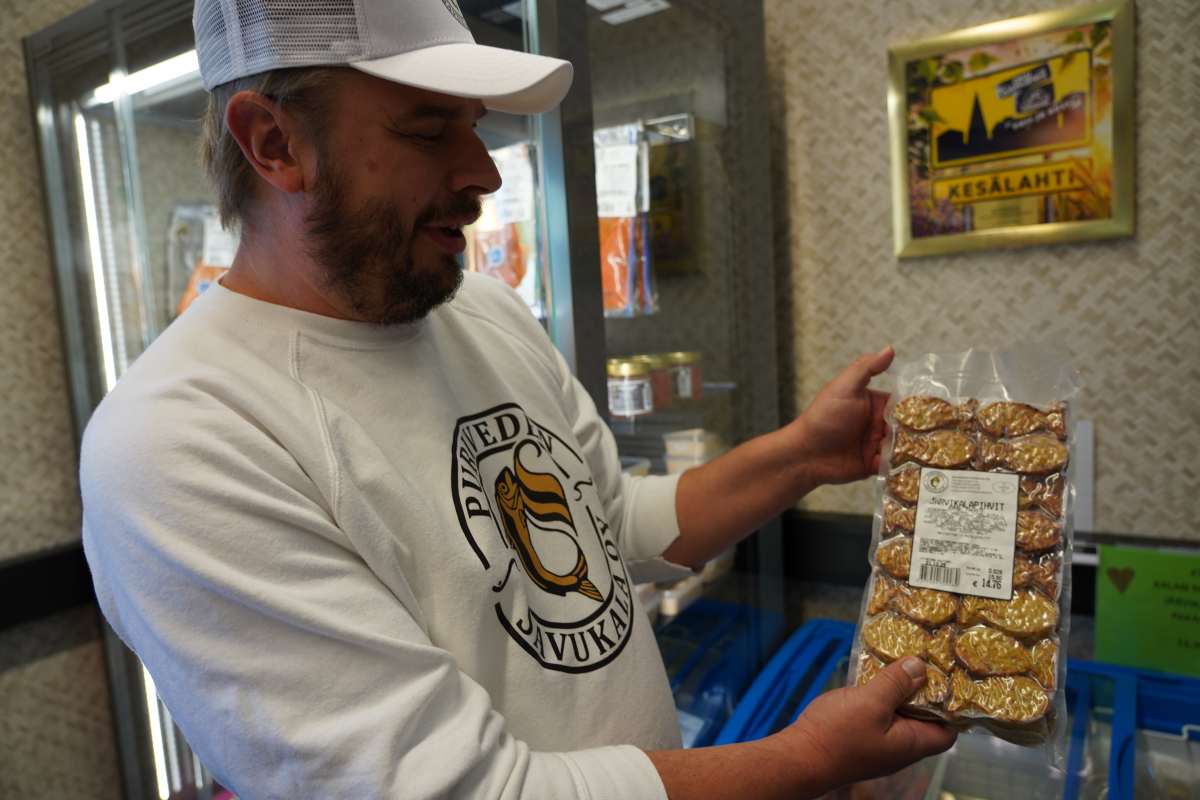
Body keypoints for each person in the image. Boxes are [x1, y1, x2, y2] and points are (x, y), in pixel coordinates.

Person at [80, 0, 956, 797]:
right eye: (429, 129)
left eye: (473, 127)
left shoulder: (481, 312)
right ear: (273, 142)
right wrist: (807, 760)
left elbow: (613, 529)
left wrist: (803, 456)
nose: (484, 173)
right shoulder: (180, 443)